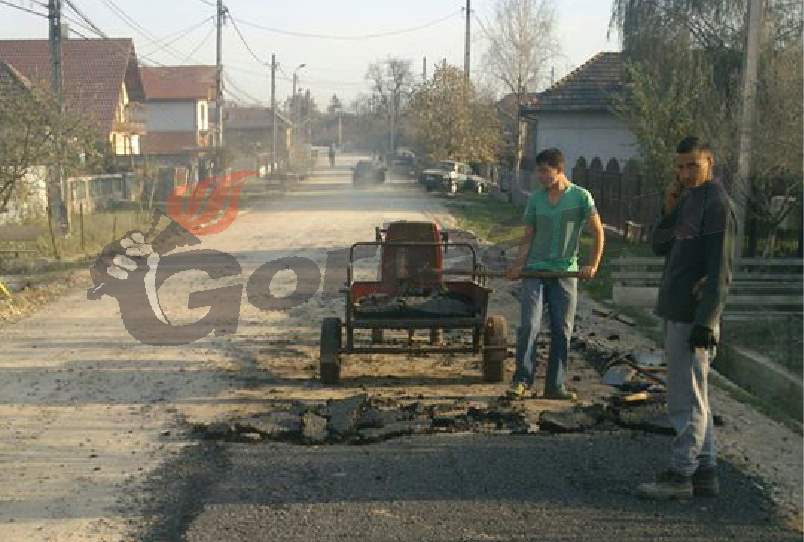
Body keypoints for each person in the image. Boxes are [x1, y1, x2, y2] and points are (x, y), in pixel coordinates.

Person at [637, 136, 736, 500]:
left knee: (685, 399)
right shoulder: (691, 201)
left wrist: (707, 321)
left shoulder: (717, 205)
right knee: (696, 395)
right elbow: (660, 245)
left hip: (693, 317)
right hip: (676, 309)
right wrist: (669, 207)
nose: (685, 173)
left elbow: (720, 270)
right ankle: (705, 471)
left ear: (710, 162)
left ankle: (680, 475)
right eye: (680, 167)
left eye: (693, 165)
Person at [505, 148, 605, 400]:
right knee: (529, 325)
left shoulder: (582, 197)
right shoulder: (536, 198)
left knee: (562, 330)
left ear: (559, 170)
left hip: (565, 273)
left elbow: (598, 233)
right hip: (535, 271)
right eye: (538, 171)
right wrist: (518, 264)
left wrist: (592, 265)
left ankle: (555, 385)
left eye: (544, 171)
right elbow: (527, 234)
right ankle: (522, 381)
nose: (540, 176)